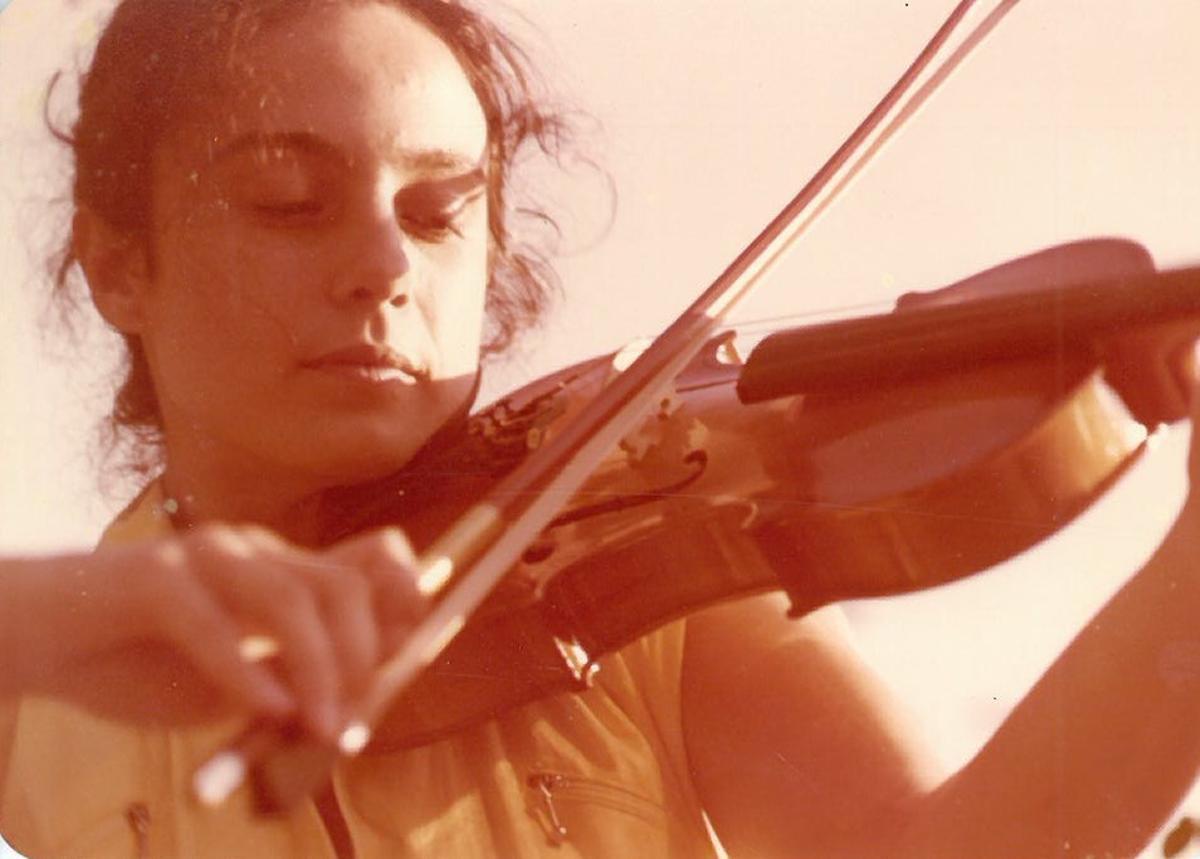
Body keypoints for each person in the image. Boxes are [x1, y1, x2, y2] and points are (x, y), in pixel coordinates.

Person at [1, 0, 1199, 856]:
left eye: (436, 216)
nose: (378, 265)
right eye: (288, 203)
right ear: (119, 267)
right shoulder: (45, 677)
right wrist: (78, 619)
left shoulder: (636, 576)